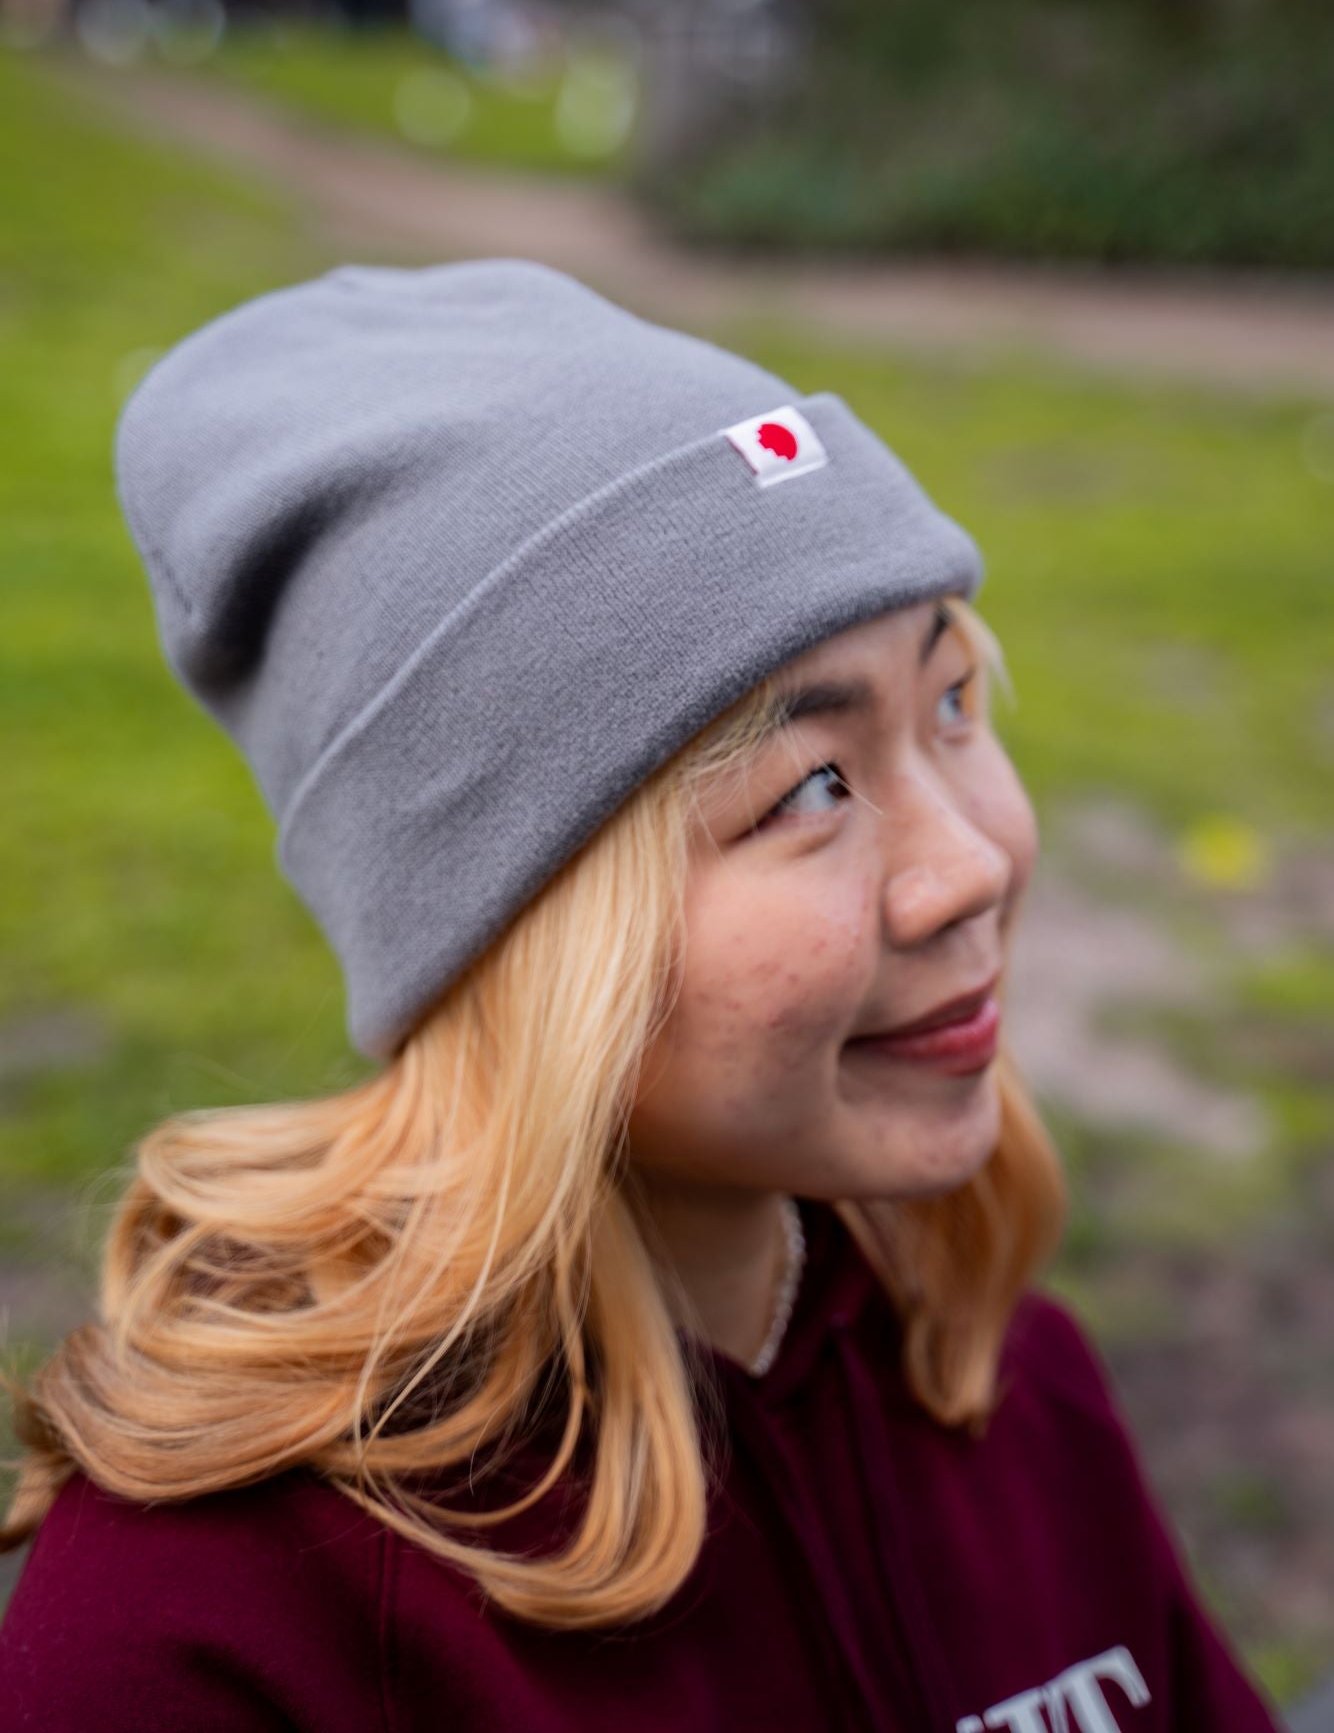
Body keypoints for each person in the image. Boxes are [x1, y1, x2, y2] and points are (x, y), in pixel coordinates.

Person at [0, 260, 1283, 1730]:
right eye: (808, 786)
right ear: (515, 934)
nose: (970, 865)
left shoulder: (1002, 1387)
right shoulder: (207, 1632)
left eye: (950, 703)